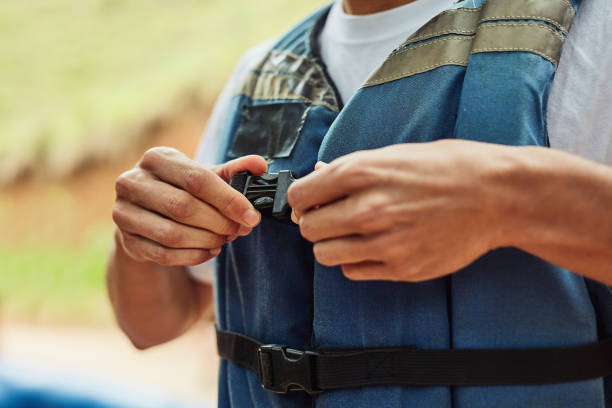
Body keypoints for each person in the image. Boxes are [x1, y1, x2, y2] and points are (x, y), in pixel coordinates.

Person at [107, 0, 612, 406]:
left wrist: (510, 198)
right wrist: (145, 236)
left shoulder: (591, 35)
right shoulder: (260, 73)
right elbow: (151, 324)